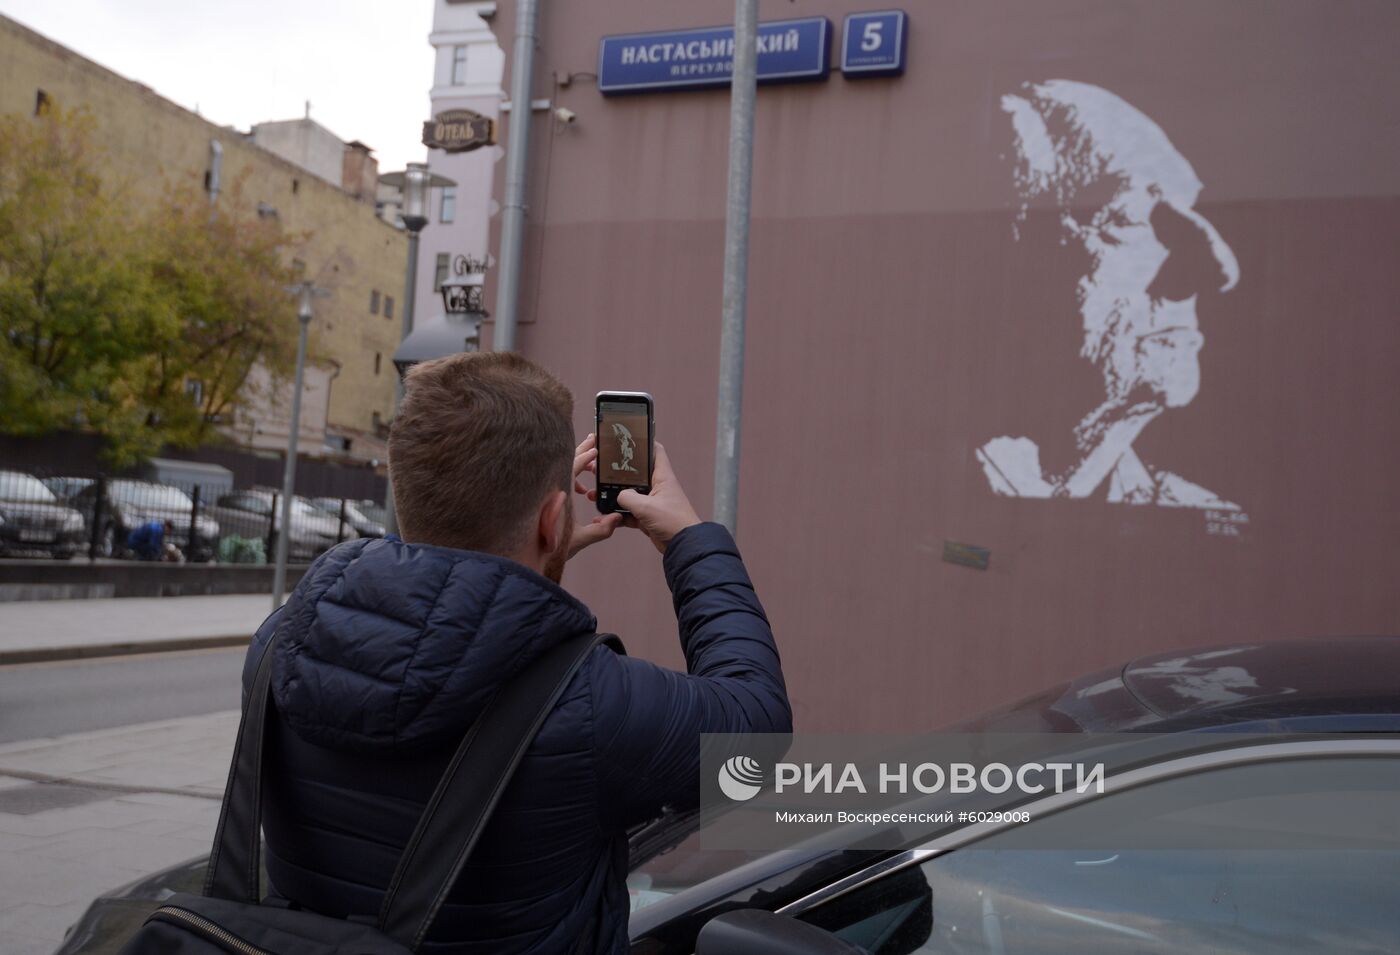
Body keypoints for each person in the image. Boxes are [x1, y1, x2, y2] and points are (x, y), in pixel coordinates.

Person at [241, 352, 791, 954]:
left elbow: (437, 638)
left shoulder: (280, 647)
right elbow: (756, 732)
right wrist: (687, 537)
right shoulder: (587, 706)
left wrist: (541, 554)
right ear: (555, 518)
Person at [976, 80, 1242, 509]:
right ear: (1021, 258)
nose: (1218, 268)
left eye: (1188, 216)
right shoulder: (911, 497)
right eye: (1136, 218)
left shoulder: (1199, 513)